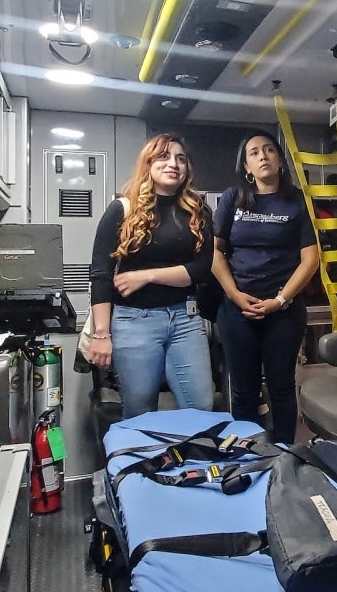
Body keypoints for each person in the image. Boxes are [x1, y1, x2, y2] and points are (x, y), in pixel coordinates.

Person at [87, 133, 215, 419]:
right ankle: (142, 465)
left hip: (185, 319)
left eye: (181, 159)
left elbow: (201, 269)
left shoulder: (197, 211)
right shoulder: (122, 209)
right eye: (164, 157)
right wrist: (102, 334)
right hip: (134, 322)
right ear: (148, 163)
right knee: (140, 411)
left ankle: (193, 463)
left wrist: (146, 275)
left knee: (201, 406)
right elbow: (100, 275)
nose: (174, 164)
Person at [211, 131, 319, 444]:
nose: (263, 156)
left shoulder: (295, 199)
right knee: (244, 391)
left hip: (283, 311)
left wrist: (281, 300)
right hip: (237, 309)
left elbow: (311, 258)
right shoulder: (234, 197)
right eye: (255, 152)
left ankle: (285, 455)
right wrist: (234, 295)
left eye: (269, 149)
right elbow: (215, 252)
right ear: (246, 165)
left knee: (281, 388)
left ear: (280, 160)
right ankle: (249, 456)